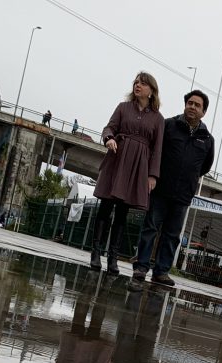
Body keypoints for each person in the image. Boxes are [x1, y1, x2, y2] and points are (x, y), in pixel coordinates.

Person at [128, 90, 215, 291]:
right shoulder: (168, 125)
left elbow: (205, 167)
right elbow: (155, 151)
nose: (192, 107)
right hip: (160, 189)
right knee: (150, 228)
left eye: (197, 105)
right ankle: (141, 267)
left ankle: (162, 272)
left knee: (172, 235)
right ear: (185, 105)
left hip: (183, 195)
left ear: (204, 112)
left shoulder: (207, 139)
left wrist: (189, 181)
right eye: (190, 103)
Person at [90, 72, 165, 274]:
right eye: (136, 82)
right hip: (117, 159)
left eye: (143, 83)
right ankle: (96, 253)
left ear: (152, 90)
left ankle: (113, 258)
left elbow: (157, 150)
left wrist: (152, 175)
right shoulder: (123, 108)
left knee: (122, 213)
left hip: (137, 166)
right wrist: (109, 138)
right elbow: (109, 127)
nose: (138, 85)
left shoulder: (158, 119)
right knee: (105, 207)